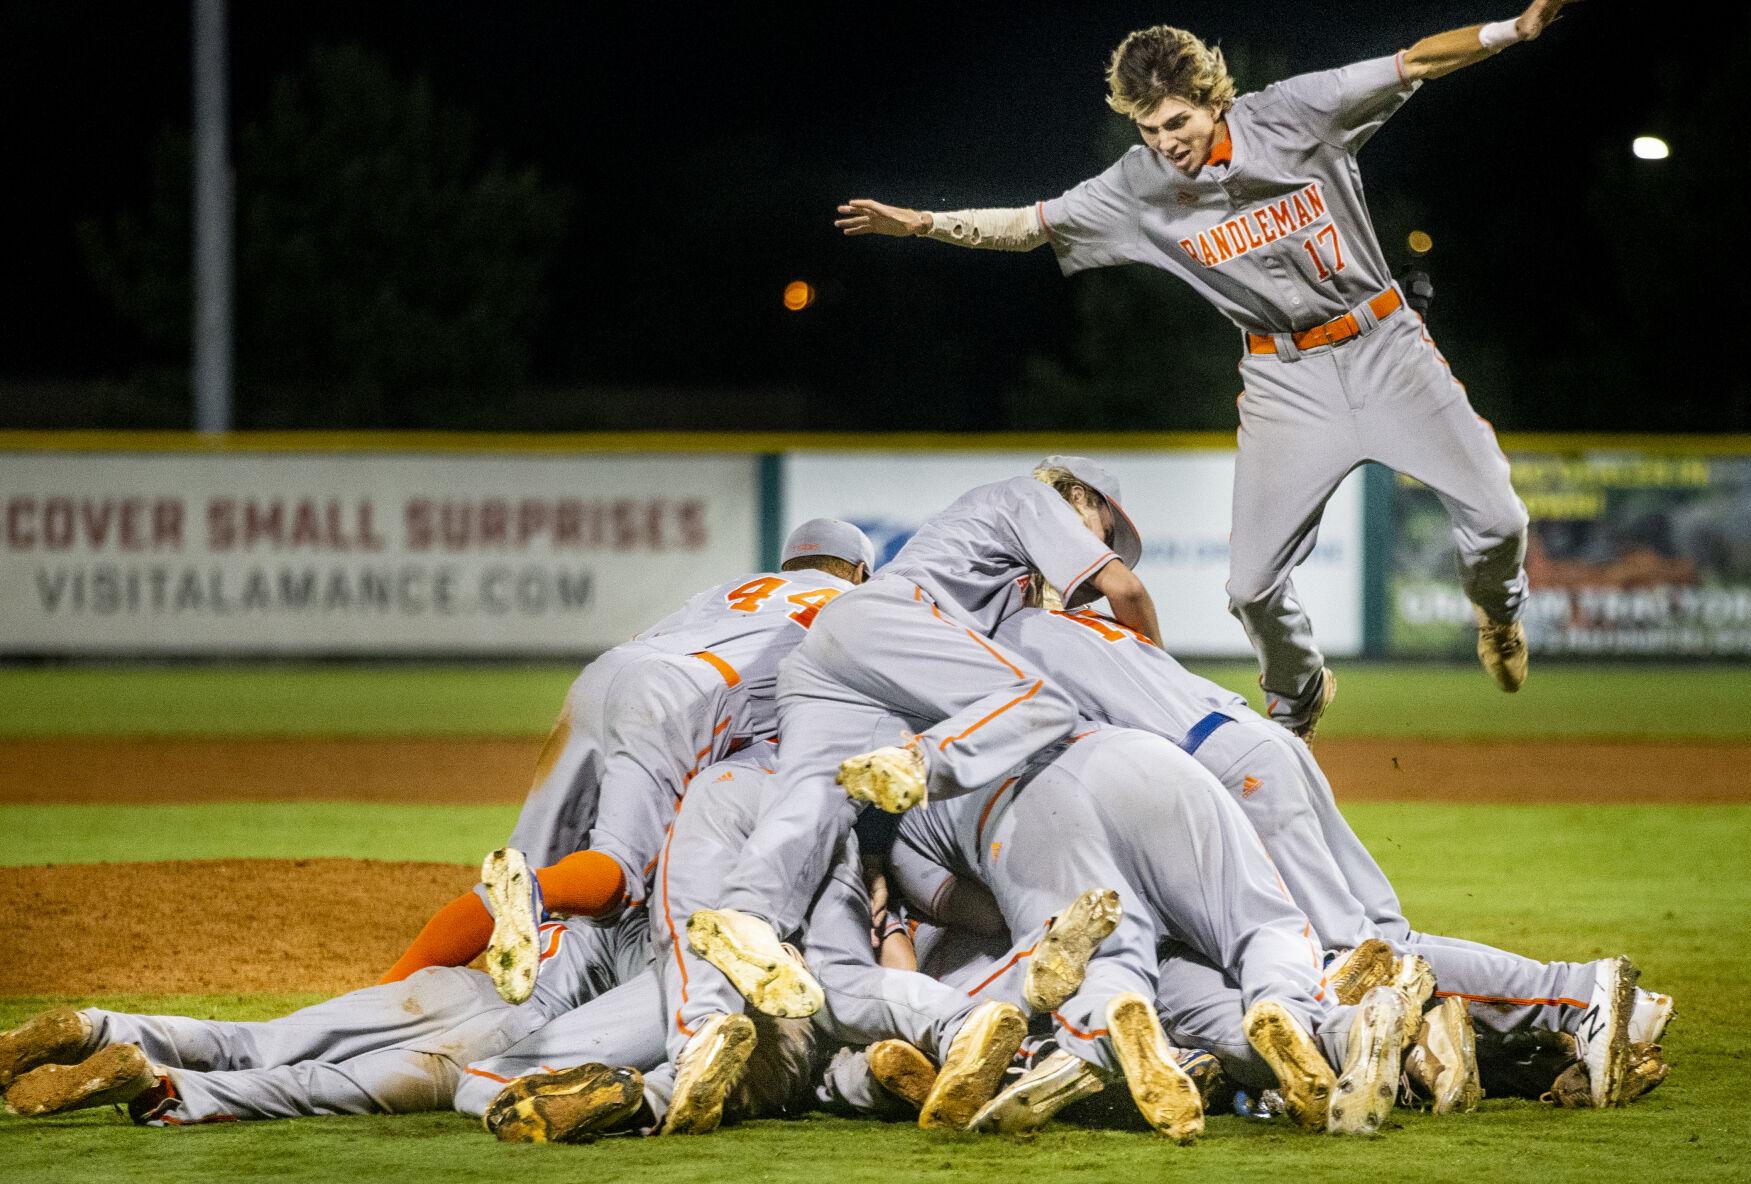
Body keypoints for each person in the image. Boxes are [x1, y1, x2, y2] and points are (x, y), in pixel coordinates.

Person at [835, 4, 1584, 735]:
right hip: (1283, 380)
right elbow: (1033, 225)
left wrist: (1511, 30)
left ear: (1211, 100)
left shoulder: (1295, 113)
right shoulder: (1135, 185)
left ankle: (1499, 613)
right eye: (1148, 127)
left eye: (1176, 122)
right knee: (1250, 588)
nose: (1164, 142)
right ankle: (1298, 693)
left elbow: (1413, 61)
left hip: (1385, 347)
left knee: (1499, 521)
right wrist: (924, 223)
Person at [686, 458, 1158, 1021]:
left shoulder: (1001, 567)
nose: (1101, 545)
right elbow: (1124, 591)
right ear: (1080, 496)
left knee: (812, 803)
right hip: (895, 621)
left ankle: (746, 917)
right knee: (1041, 702)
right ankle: (919, 765)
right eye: (1106, 530)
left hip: (832, 653)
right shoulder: (1029, 499)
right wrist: (1151, 665)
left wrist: (876, 850)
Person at [378, 518, 874, 1002]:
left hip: (605, 674)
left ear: (788, 563)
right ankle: (533, 892)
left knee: (529, 863)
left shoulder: (731, 589)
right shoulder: (853, 605)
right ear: (859, 572)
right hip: (683, 697)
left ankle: (388, 990)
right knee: (614, 870)